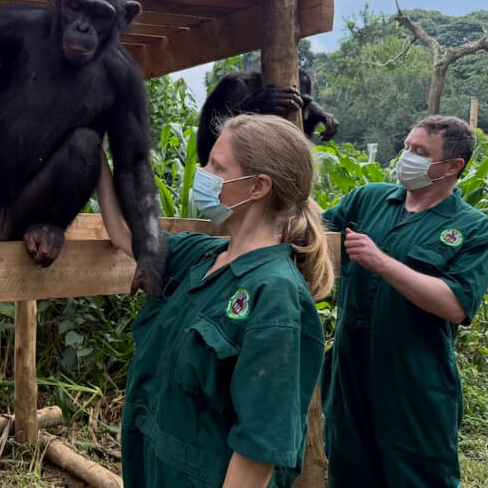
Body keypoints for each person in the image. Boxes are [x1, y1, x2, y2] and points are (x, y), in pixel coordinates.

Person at [96, 114, 335, 488]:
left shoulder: (276, 296)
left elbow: (257, 455)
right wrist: (92, 144)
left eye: (217, 168)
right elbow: (125, 233)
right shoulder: (199, 255)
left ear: (258, 186)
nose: (202, 174)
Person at [320, 115, 488, 487]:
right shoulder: (368, 199)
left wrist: (382, 262)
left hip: (415, 386)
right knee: (349, 473)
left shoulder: (473, 228)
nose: (407, 157)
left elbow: (456, 305)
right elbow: (314, 235)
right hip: (350, 378)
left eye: (420, 152)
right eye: (407, 147)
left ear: (453, 166)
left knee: (418, 477)